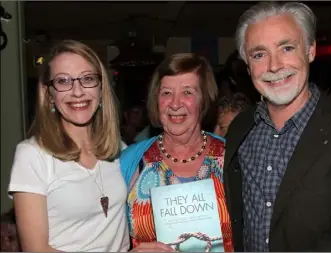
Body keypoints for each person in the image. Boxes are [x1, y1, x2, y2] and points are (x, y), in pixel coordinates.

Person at [223, 2, 331, 252]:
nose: (274, 66)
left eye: (286, 48)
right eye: (259, 54)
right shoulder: (240, 128)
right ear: (248, 65)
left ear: (310, 50)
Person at [8, 40, 130, 252]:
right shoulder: (32, 155)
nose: (77, 91)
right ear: (49, 94)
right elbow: (36, 250)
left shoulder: (120, 149)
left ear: (101, 89)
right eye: (63, 81)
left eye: (88, 79)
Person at [120, 53, 233, 252]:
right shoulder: (129, 162)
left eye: (187, 92)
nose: (175, 103)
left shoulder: (233, 158)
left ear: (204, 99)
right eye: (166, 93)